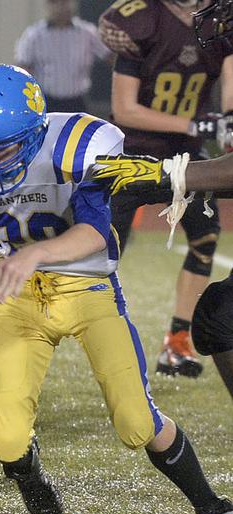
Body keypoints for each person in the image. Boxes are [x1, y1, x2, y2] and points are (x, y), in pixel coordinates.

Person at [0, 63, 233, 514]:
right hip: (21, 302)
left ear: (33, 132)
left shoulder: (75, 145)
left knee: (136, 422)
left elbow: (95, 231)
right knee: (6, 442)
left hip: (88, 291)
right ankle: (28, 473)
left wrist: (37, 253)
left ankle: (211, 507)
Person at [98, 0, 233, 378]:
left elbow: (229, 74)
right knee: (100, 255)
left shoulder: (217, 20)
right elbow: (124, 109)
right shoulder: (141, 19)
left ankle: (176, 342)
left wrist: (228, 120)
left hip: (185, 158)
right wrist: (195, 125)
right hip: (132, 157)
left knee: (205, 239)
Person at [14, 0, 111, 113]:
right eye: (54, 2)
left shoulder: (87, 32)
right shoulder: (34, 35)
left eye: (64, 2)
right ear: (47, 5)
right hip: (46, 101)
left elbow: (110, 57)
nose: (60, 7)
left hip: (78, 101)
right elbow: (23, 68)